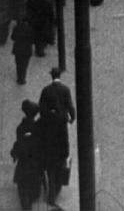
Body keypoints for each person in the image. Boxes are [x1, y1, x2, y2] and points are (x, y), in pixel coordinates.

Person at [38, 67, 75, 208]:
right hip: (61, 130)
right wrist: (72, 118)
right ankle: (56, 189)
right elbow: (71, 106)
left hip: (49, 133)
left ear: (51, 76)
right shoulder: (65, 90)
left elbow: (42, 109)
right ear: (59, 75)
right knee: (61, 161)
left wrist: (48, 116)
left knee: (51, 165)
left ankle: (52, 192)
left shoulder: (46, 90)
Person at [11, 99, 43, 210]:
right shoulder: (39, 128)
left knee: (24, 195)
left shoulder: (20, 128)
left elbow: (18, 144)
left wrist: (14, 154)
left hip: (23, 166)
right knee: (33, 194)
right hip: (35, 167)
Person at [11, 16, 35, 84]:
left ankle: (19, 78)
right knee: (24, 65)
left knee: (18, 64)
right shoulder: (30, 29)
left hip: (17, 49)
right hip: (26, 50)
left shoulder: (17, 27)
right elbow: (33, 40)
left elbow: (13, 37)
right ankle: (22, 79)